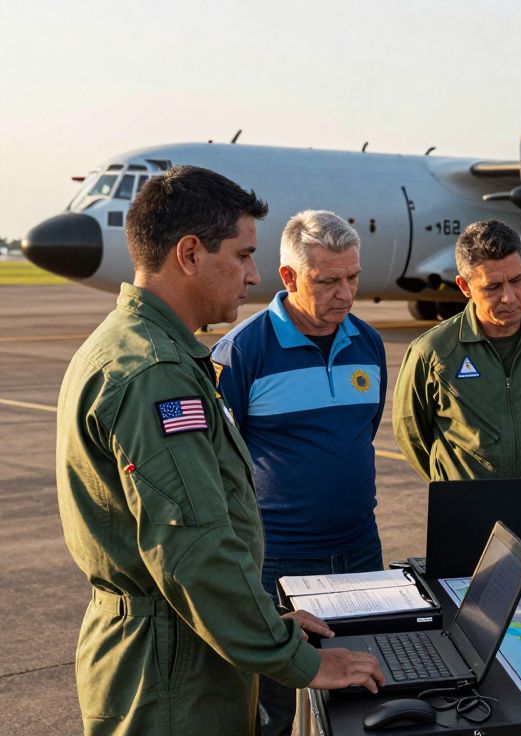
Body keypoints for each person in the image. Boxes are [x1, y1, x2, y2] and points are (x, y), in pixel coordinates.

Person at [54, 165, 382, 736]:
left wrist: (271, 623)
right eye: (242, 255)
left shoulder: (141, 349)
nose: (253, 276)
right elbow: (195, 549)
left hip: (184, 643)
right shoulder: (155, 374)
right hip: (170, 673)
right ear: (189, 254)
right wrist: (300, 661)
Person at [211, 210, 386, 736]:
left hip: (360, 553)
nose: (346, 294)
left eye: (353, 277)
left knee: (363, 693)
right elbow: (219, 468)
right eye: (328, 280)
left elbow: (362, 434)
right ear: (288, 278)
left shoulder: (368, 344)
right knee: (276, 709)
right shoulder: (243, 353)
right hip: (277, 563)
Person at [393, 219, 521, 480]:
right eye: (493, 287)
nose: (509, 297)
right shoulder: (433, 352)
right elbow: (412, 434)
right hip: (466, 509)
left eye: (517, 280)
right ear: (465, 287)